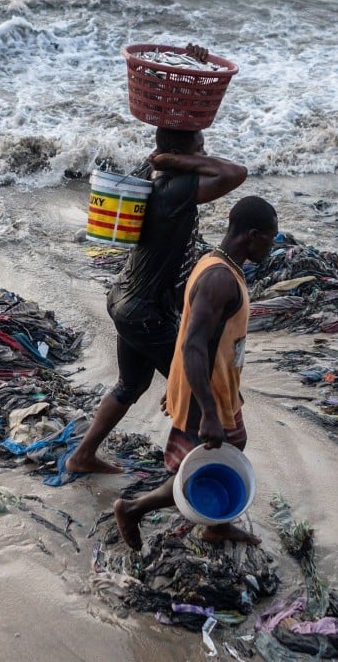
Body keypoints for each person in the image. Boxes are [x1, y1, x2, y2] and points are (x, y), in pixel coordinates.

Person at [66, 128, 247, 474]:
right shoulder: (176, 188)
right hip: (144, 312)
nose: (204, 154)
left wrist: (172, 157)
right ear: (179, 153)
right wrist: (179, 159)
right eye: (199, 148)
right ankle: (194, 480)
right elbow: (234, 173)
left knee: (131, 384)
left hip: (125, 298)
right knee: (203, 393)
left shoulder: (151, 176)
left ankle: (82, 457)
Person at [114, 196, 278, 549]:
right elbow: (192, 344)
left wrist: (186, 385)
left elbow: (193, 333)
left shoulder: (217, 263)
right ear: (251, 235)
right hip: (206, 395)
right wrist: (203, 409)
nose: (272, 245)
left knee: (235, 445)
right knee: (192, 469)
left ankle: (216, 526)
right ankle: (132, 509)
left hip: (220, 387)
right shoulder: (220, 279)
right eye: (270, 237)